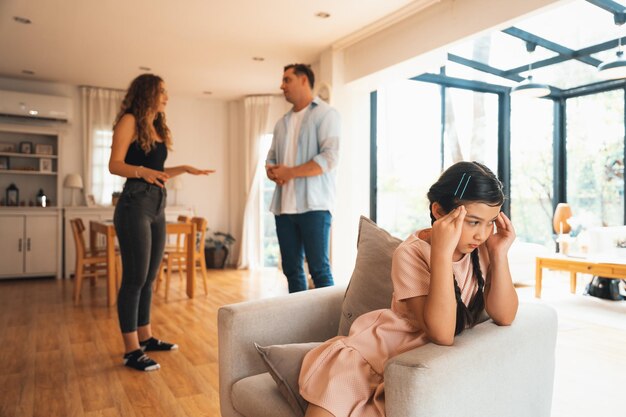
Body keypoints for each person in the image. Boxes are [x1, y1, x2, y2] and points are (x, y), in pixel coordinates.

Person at [299, 161, 519, 417]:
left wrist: (499, 253)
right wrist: (441, 253)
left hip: (411, 363)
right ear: (439, 211)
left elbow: (505, 315)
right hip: (377, 353)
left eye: (490, 222)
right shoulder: (411, 253)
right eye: (473, 222)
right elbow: (442, 334)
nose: (482, 234)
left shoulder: (483, 248)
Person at [109, 74, 214, 371]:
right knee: (134, 278)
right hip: (134, 203)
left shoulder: (155, 126)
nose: (167, 96)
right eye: (162, 91)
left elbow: (157, 170)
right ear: (147, 93)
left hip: (157, 204)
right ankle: (131, 350)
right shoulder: (129, 120)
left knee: (150, 276)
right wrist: (142, 172)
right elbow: (115, 164)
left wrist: (183, 169)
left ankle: (145, 336)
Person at [266, 63, 340, 293]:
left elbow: (330, 158)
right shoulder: (281, 123)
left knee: (319, 270)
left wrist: (290, 172)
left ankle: (330, 327)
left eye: (287, 79)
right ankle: (298, 326)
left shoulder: (327, 114)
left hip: (314, 207)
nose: (282, 85)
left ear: (304, 81)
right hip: (284, 209)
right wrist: (270, 170)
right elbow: (271, 158)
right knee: (291, 270)